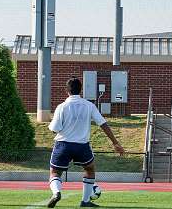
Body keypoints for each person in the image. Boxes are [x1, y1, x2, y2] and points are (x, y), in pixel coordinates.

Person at [47, 77, 125, 208]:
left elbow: (54, 130)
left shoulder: (62, 107)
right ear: (81, 90)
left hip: (63, 144)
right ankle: (85, 201)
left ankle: (56, 193)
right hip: (82, 146)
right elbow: (103, 124)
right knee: (89, 169)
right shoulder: (89, 105)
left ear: (67, 90)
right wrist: (115, 143)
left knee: (55, 173)